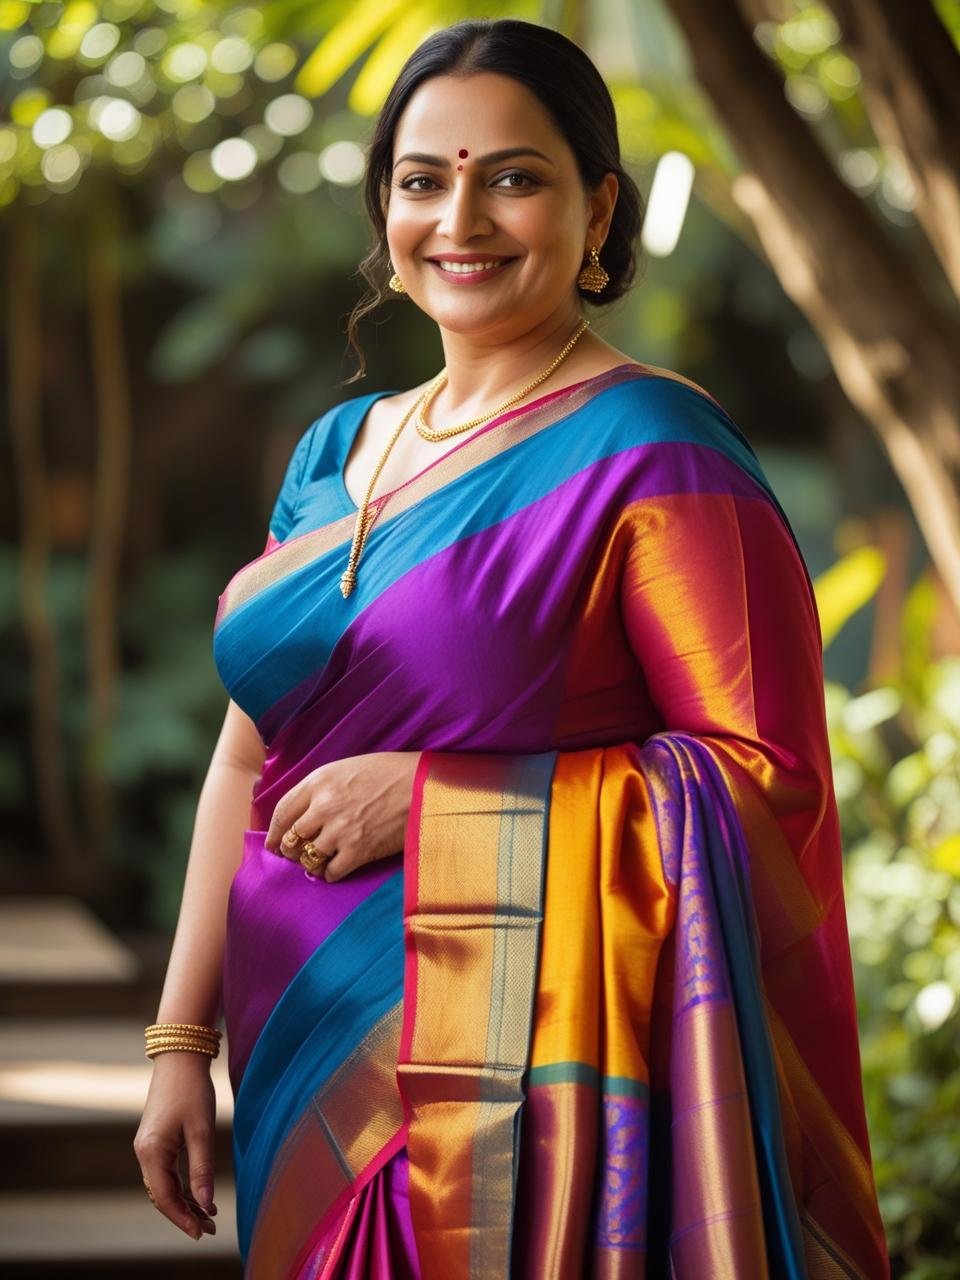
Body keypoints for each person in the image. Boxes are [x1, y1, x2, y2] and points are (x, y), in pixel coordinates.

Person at [134, 16, 890, 1279]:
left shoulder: (656, 450)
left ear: (598, 212)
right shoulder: (337, 451)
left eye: (515, 178)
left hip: (523, 1086)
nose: (462, 218)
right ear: (386, 211)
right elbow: (240, 763)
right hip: (295, 1044)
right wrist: (177, 1045)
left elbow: (763, 786)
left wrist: (436, 803)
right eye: (425, 180)